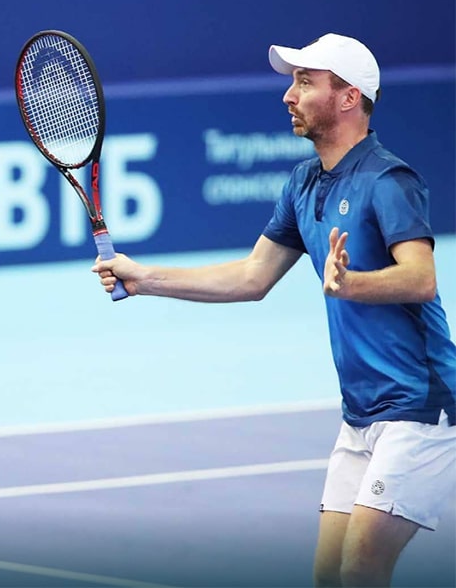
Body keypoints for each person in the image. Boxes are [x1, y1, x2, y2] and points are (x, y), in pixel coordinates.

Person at [93, 33, 455, 587]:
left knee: (363, 568)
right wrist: (145, 279)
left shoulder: (389, 180)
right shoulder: (303, 182)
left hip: (420, 410)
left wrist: (350, 283)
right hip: (360, 414)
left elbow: (422, 278)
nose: (288, 95)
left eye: (305, 82)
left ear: (348, 98)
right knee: (330, 576)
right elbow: (251, 276)